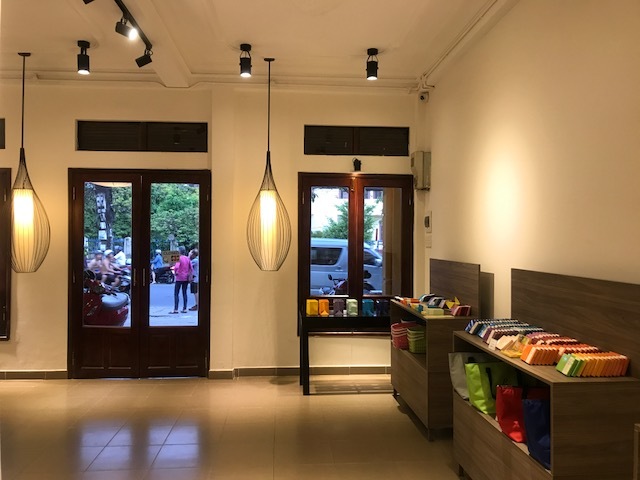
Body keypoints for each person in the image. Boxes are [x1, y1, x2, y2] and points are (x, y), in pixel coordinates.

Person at [170, 246, 192, 314]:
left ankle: (176, 309)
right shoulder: (187, 258)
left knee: (176, 293)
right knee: (184, 293)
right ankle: (184, 308)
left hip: (179, 278)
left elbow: (176, 267)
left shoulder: (179, 258)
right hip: (186, 278)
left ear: (179, 251)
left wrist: (175, 272)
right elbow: (191, 268)